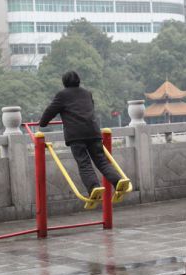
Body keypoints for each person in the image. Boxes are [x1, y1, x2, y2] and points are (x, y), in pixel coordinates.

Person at [39, 70, 129, 200]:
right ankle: (117, 181)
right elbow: (88, 108)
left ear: (64, 82)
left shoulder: (62, 95)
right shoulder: (87, 93)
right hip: (93, 131)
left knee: (84, 163)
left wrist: (43, 123)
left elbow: (50, 111)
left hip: (76, 135)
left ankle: (94, 188)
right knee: (102, 161)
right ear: (78, 81)